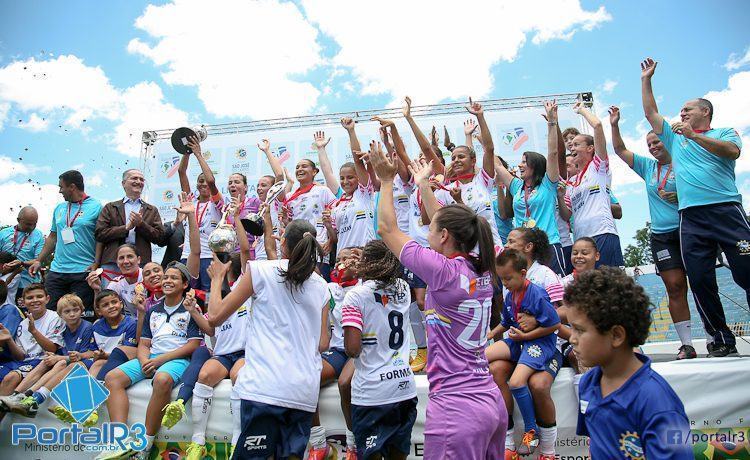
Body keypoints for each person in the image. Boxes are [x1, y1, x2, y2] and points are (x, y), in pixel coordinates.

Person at [369, 140, 506, 460]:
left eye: (432, 229)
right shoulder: (482, 265)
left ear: (444, 236)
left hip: (457, 411)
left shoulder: (442, 271)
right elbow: (449, 220)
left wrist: (387, 180)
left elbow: (387, 228)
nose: (426, 229)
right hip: (490, 402)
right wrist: (421, 185)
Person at [641, 57, 746, 357]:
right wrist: (646, 79)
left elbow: (732, 153)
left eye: (688, 109)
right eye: (681, 110)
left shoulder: (724, 133)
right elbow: (650, 112)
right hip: (692, 218)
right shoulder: (675, 139)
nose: (682, 112)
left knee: (746, 271)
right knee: (699, 279)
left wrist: (695, 138)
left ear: (706, 112)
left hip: (726, 211)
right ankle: (721, 338)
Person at [206, 219, 330, 460]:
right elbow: (323, 343)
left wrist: (215, 279)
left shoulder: (261, 269)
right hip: (303, 390)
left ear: (283, 242)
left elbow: (214, 317)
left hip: (265, 388)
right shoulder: (322, 286)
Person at [566, 267, 693, 459]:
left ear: (616, 335)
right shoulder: (587, 384)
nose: (571, 339)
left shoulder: (659, 403)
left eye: (579, 330)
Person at [609, 105, 695, 360]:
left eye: (656, 141)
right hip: (660, 234)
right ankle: (687, 344)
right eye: (649, 144)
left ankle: (715, 336)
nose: (653, 147)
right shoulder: (648, 167)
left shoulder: (686, 160)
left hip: (689, 228)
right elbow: (620, 150)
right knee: (675, 286)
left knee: (700, 284)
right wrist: (614, 125)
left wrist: (679, 195)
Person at [99, 263, 202, 460]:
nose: (167, 281)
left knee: (162, 380)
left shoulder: (190, 308)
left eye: (173, 278)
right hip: (152, 357)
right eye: (166, 277)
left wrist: (160, 360)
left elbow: (193, 345)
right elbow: (144, 343)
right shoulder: (152, 310)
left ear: (185, 284)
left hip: (177, 358)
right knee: (112, 377)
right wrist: (145, 359)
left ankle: (144, 446)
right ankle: (118, 442)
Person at [342, 240, 417, 460]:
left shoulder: (355, 297)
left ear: (366, 263)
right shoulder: (403, 288)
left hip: (373, 395)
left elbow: (353, 349)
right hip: (404, 388)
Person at [486, 249, 561, 459]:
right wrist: (491, 333)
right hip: (519, 341)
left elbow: (554, 323)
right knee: (481, 358)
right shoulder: (510, 295)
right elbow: (506, 322)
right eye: (501, 279)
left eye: (508, 278)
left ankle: (531, 429)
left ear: (523, 273)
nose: (505, 283)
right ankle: (504, 436)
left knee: (517, 382)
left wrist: (526, 337)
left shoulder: (536, 293)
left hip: (538, 344)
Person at [494, 101, 565, 275]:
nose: (519, 165)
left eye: (524, 162)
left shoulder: (548, 184)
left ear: (536, 165)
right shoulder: (517, 186)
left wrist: (551, 122)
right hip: (522, 252)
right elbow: (497, 165)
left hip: (548, 246)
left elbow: (553, 153)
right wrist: (484, 140)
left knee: (554, 293)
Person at [2, 294, 97, 422]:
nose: (72, 314)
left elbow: (87, 354)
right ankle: (17, 395)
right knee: (46, 361)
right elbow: (58, 351)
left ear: (82, 310)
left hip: (81, 363)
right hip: (65, 361)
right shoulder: (63, 328)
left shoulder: (87, 327)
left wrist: (58, 358)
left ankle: (35, 398)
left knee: (60, 363)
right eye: (67, 311)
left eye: (76, 310)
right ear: (60, 315)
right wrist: (54, 356)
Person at [309, 247, 361, 460]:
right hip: (338, 350)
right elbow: (311, 275)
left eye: (346, 259)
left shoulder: (365, 286)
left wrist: (362, 267)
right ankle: (319, 443)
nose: (341, 263)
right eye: (338, 259)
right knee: (307, 377)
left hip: (361, 350)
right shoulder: (330, 288)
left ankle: (353, 445)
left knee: (345, 383)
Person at [28, 170, 102, 318]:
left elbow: (100, 238)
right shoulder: (60, 208)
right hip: (57, 270)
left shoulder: (96, 206)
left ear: (72, 187)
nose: (60, 190)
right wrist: (39, 260)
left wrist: (96, 262)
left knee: (80, 315)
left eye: (61, 187)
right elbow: (53, 237)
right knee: (49, 314)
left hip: (83, 270)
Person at [559, 104, 623, 267]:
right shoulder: (571, 183)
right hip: (581, 240)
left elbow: (598, 126)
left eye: (576, 144)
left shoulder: (598, 168)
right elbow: (567, 215)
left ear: (590, 148)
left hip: (603, 233)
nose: (572, 147)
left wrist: (582, 110)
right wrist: (560, 196)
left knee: (611, 286)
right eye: (571, 145)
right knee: (590, 289)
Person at [0, 283, 64, 412]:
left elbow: (52, 349)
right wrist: (9, 340)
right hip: (23, 362)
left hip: (44, 362)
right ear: (23, 302)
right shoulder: (23, 324)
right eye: (30, 298)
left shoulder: (55, 318)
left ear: (47, 299)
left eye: (39, 296)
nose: (35, 300)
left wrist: (34, 331)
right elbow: (21, 356)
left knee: (10, 378)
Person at [278, 157, 338, 281]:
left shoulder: (323, 191)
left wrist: (331, 239)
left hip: (318, 249)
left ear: (314, 172)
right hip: (295, 251)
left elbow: (336, 215)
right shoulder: (289, 197)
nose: (300, 169)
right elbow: (291, 226)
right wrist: (286, 222)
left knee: (320, 290)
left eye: (304, 166)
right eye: (297, 167)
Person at [95, 169, 166, 274]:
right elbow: (99, 234)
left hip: (141, 263)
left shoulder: (151, 210)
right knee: (110, 291)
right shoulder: (110, 207)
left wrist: (141, 224)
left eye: (141, 179)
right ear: (123, 184)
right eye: (134, 178)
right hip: (113, 262)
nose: (138, 181)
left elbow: (160, 238)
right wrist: (126, 228)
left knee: (139, 291)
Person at [177, 136, 224, 291]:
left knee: (207, 295)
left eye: (205, 180)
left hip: (208, 257)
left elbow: (211, 181)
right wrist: (187, 151)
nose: (203, 183)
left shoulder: (216, 203)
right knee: (186, 293)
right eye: (200, 181)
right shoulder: (190, 202)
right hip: (187, 256)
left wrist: (198, 154)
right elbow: (181, 171)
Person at [503, 227, 565, 305]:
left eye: (511, 242)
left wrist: (537, 317)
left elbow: (564, 309)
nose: (505, 245)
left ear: (528, 247)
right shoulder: (507, 277)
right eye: (507, 241)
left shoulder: (545, 274)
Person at [86, 244, 143, 317]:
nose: (125, 261)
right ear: (117, 263)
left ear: (138, 260)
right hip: (131, 325)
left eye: (130, 256)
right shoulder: (115, 284)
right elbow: (102, 315)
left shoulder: (148, 277)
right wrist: (97, 290)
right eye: (121, 258)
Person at [0, 206, 44, 289]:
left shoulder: (39, 236)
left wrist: (22, 263)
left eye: (34, 224)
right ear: (18, 220)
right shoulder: (3, 234)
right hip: (5, 284)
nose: (32, 227)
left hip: (28, 285)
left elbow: (39, 260)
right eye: (28, 224)